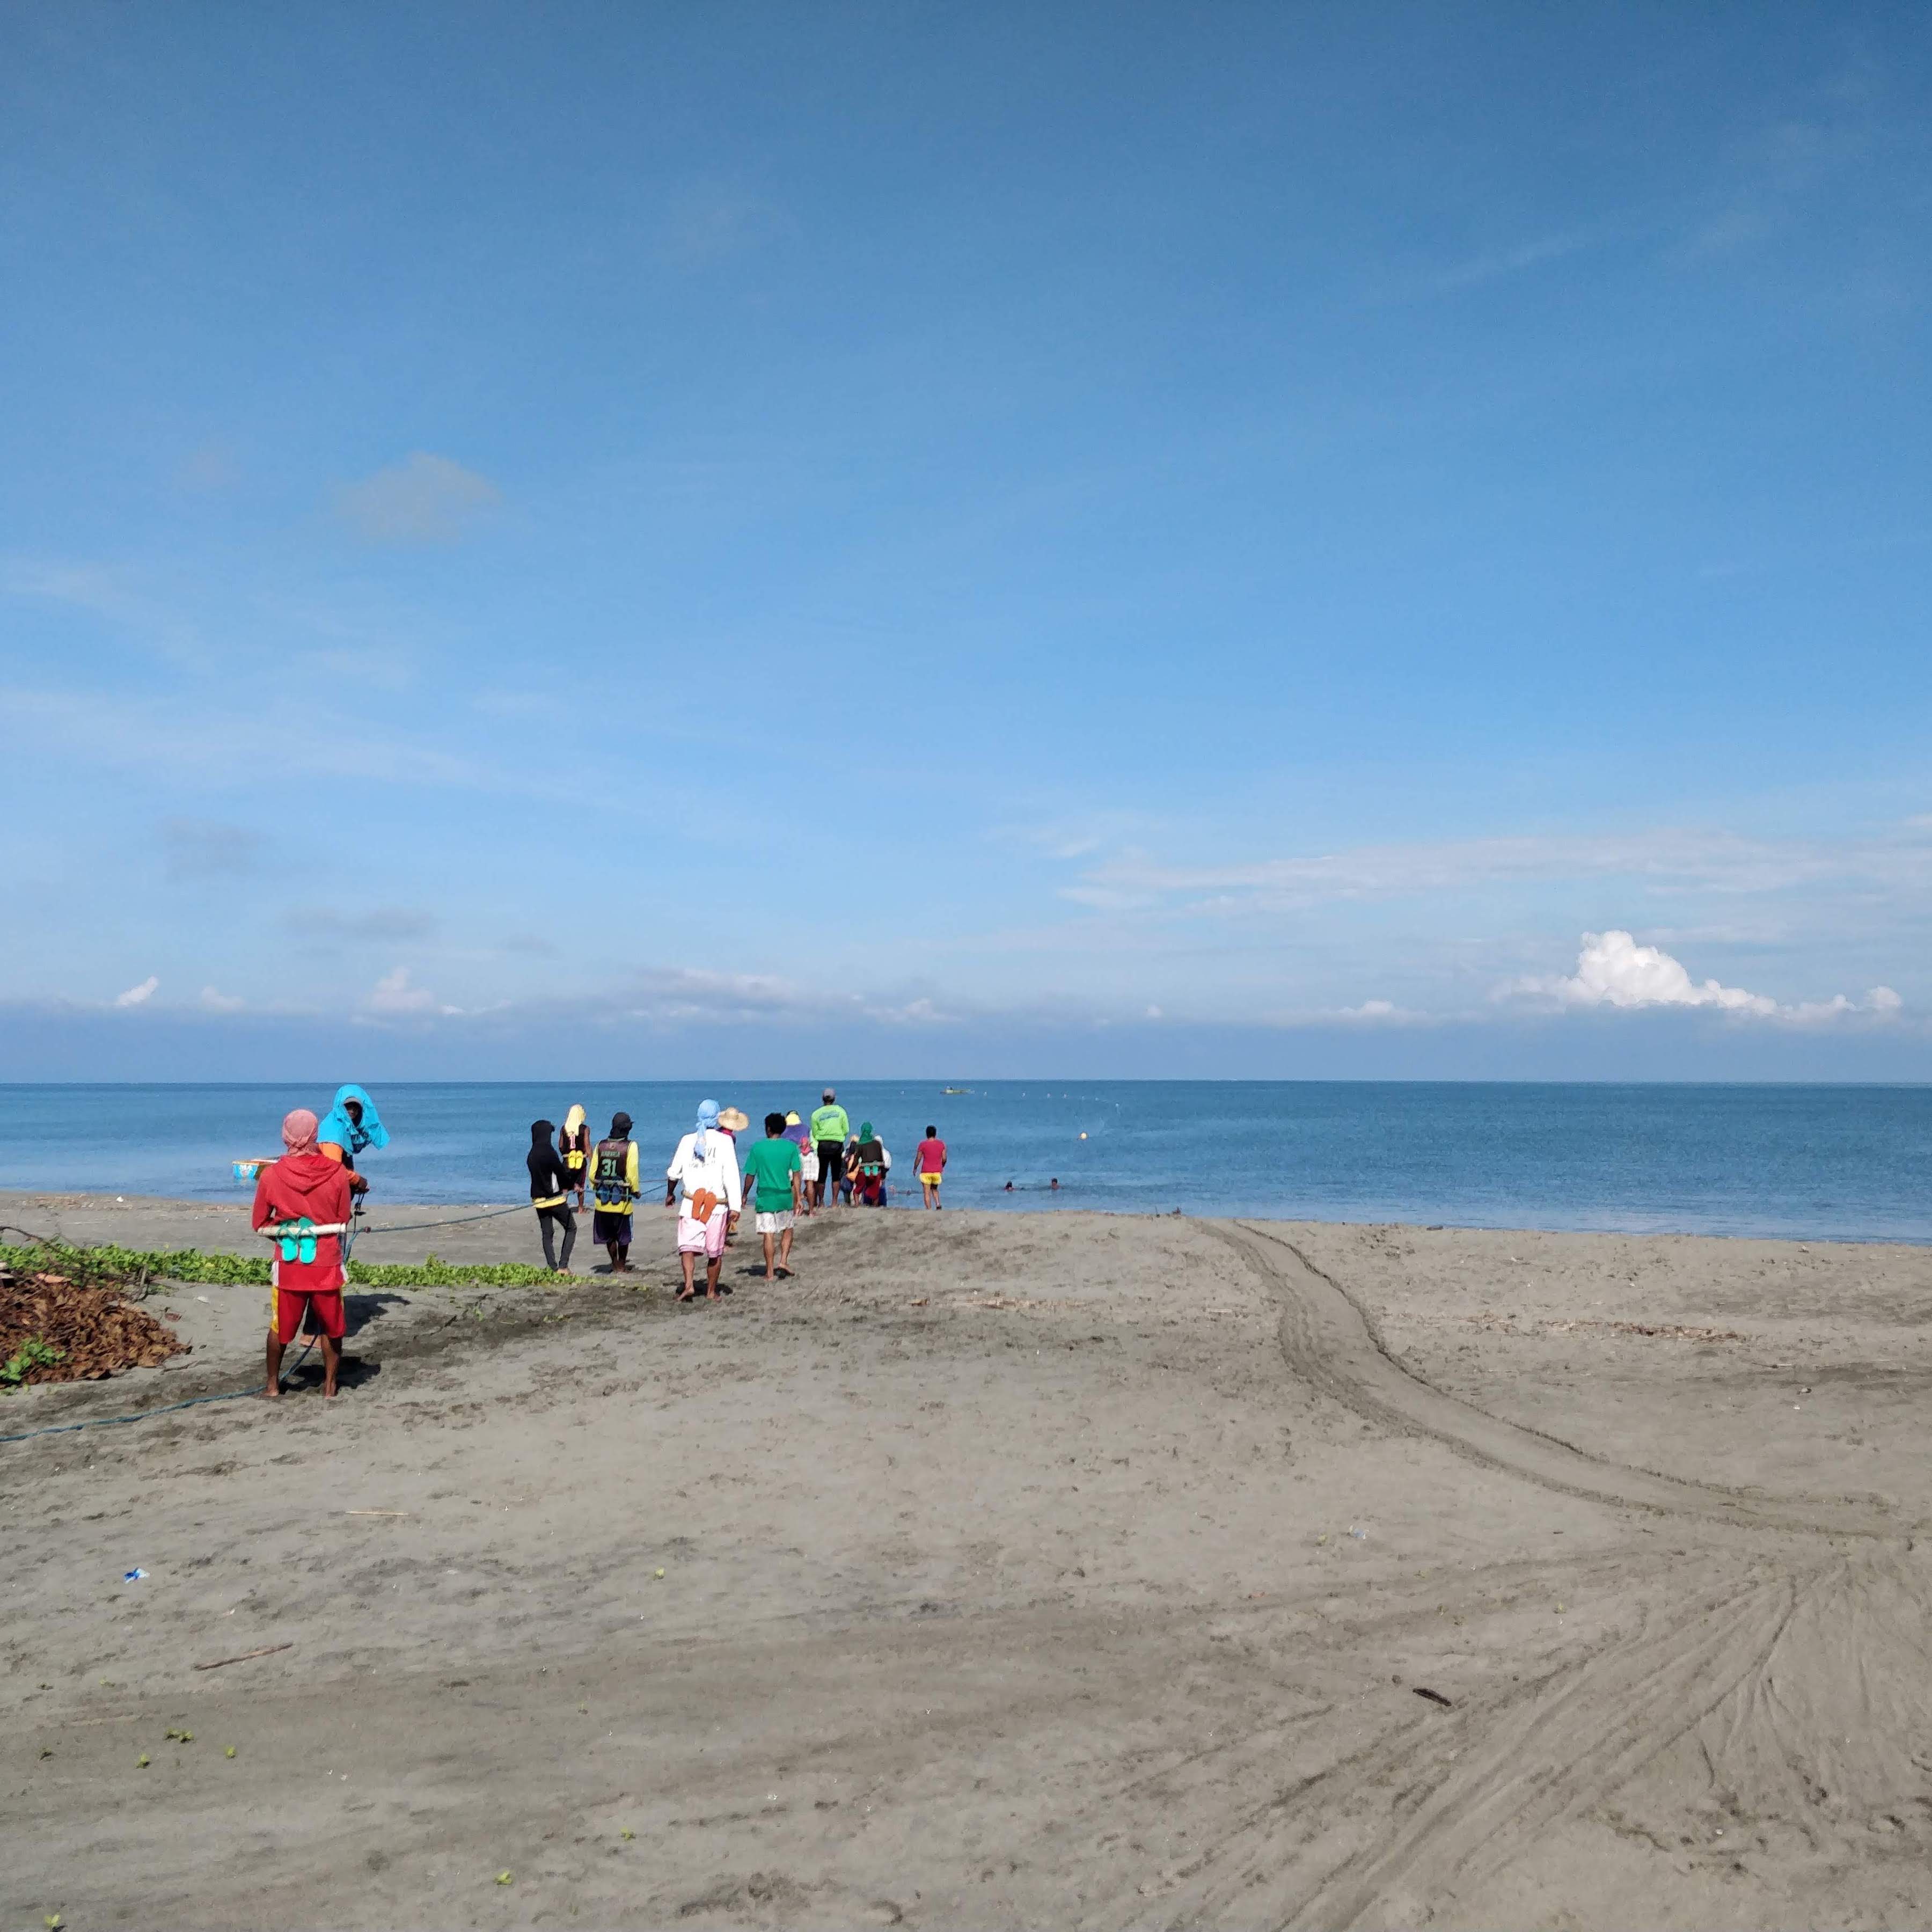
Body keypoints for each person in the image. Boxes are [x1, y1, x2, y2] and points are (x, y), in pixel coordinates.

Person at [254, 1109, 353, 1400]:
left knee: (281, 1326)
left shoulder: (271, 1175)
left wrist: (286, 1225)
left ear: (286, 1135)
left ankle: (273, 1385)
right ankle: (330, 1386)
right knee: (332, 1326)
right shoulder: (336, 1172)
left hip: (289, 1262)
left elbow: (259, 1222)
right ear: (314, 1135)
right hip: (325, 1262)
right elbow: (343, 1217)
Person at [666, 1100, 742, 1300]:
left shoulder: (687, 1140)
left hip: (692, 1203)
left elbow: (674, 1173)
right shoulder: (725, 1141)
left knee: (688, 1248)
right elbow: (732, 1175)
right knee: (715, 1252)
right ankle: (710, 1291)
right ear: (717, 1118)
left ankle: (689, 1284)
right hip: (717, 1206)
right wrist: (736, 1206)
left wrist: (670, 1193)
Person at [742, 1111, 804, 1278]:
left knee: (768, 1234)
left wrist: (744, 1195)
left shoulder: (758, 1148)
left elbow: (750, 1175)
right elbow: (797, 1175)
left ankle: (769, 1272)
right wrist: (798, 1197)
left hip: (766, 1196)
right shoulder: (791, 1148)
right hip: (784, 1195)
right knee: (787, 1230)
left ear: (768, 1129)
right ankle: (783, 1260)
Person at [591, 1111, 641, 1272]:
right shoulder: (631, 1146)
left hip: (602, 1201)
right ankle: (621, 1265)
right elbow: (632, 1172)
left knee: (609, 1236)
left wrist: (597, 1188)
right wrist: (636, 1190)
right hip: (622, 1201)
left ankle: (614, 1263)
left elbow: (593, 1175)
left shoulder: (600, 1145)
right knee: (623, 1236)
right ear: (627, 1129)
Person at [316, 1084, 387, 1196]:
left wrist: (354, 1185)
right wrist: (358, 1181)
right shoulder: (334, 1132)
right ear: (340, 1106)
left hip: (336, 1192)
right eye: (348, 1106)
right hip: (328, 1196)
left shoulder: (343, 1127)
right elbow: (333, 1169)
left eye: (356, 1108)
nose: (352, 1111)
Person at [527, 1119, 575, 1272]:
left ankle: (552, 1267)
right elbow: (560, 1174)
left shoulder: (532, 1154)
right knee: (571, 1228)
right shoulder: (549, 1152)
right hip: (554, 1199)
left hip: (539, 1200)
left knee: (547, 1233)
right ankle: (563, 1266)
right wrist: (573, 1185)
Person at [809, 1087, 850, 1210]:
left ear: (823, 1099)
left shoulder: (816, 1114)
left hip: (823, 1144)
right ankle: (834, 1202)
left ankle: (821, 1202)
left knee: (822, 1175)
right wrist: (839, 1136)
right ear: (834, 1099)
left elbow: (815, 1134)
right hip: (837, 1143)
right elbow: (846, 1129)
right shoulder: (841, 1111)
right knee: (836, 1174)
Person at [784, 1112, 817, 1216]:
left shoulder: (784, 1131)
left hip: (793, 1156)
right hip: (808, 1155)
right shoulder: (806, 1128)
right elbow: (814, 1143)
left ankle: (796, 1211)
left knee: (794, 1184)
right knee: (810, 1183)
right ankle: (811, 1212)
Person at [559, 1103, 591, 1211]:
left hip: (567, 1160)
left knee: (565, 1186)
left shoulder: (564, 1129)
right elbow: (587, 1146)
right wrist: (592, 1160)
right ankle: (581, 1208)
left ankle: (563, 1207)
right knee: (580, 1185)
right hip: (580, 1160)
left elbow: (561, 1146)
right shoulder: (585, 1129)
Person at [851, 1121, 891, 1207]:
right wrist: (883, 1175)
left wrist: (851, 1170)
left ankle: (857, 1206)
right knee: (875, 1192)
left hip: (865, 1171)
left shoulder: (860, 1144)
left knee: (857, 1191)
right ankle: (875, 1207)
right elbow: (881, 1160)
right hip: (877, 1171)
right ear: (870, 1131)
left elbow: (856, 1160)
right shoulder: (877, 1143)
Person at [914, 1124, 948, 1209]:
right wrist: (942, 1166)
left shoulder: (923, 1144)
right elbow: (944, 1158)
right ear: (935, 1134)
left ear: (927, 1134)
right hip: (937, 1171)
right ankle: (938, 1204)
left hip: (926, 1171)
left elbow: (919, 1158)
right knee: (935, 1189)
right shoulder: (941, 1144)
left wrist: (915, 1168)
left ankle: (929, 1209)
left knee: (927, 1192)